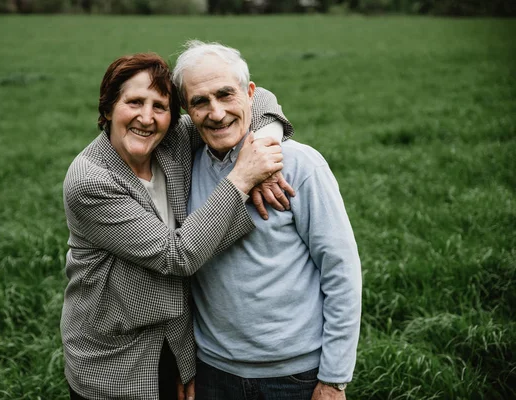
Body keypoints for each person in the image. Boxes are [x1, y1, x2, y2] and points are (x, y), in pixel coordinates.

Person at [61, 53, 294, 400]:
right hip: (114, 361)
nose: (146, 117)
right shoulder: (91, 180)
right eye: (135, 102)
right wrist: (243, 176)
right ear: (108, 108)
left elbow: (256, 98)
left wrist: (263, 144)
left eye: (160, 106)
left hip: (173, 340)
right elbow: (177, 255)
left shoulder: (173, 142)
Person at [172, 40, 362, 400]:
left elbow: (341, 270)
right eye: (200, 101)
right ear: (187, 110)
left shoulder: (299, 165)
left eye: (226, 95)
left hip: (295, 376)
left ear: (250, 94)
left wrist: (335, 378)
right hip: (214, 372)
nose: (215, 113)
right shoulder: (186, 167)